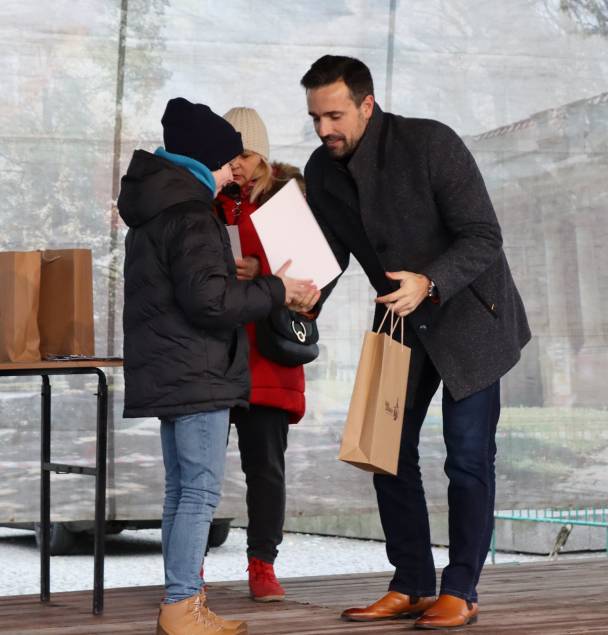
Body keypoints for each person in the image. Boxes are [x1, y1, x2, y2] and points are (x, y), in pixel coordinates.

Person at [300, 55, 530, 629]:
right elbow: (329, 254)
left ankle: (461, 589)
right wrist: (301, 293)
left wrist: (429, 281)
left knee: (468, 457)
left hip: (472, 318)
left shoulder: (431, 143)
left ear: (366, 105)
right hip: (399, 323)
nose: (324, 129)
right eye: (315, 118)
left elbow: (483, 236)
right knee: (386, 452)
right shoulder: (321, 170)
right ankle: (412, 584)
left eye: (334, 116)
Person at [118, 97, 316, 635]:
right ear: (205, 159)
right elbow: (211, 302)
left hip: (174, 368)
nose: (232, 173)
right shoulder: (191, 214)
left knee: (182, 489)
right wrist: (276, 288)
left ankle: (183, 601)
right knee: (200, 490)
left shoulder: (155, 208)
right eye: (227, 162)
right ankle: (184, 604)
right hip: (199, 369)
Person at [214, 106, 316, 602]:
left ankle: (262, 565)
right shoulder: (208, 201)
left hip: (269, 356)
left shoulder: (285, 201)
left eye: (246, 154)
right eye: (228, 155)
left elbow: (311, 287)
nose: (236, 164)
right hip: (215, 355)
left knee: (266, 469)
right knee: (199, 469)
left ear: (263, 155)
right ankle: (190, 567)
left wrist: (262, 273)